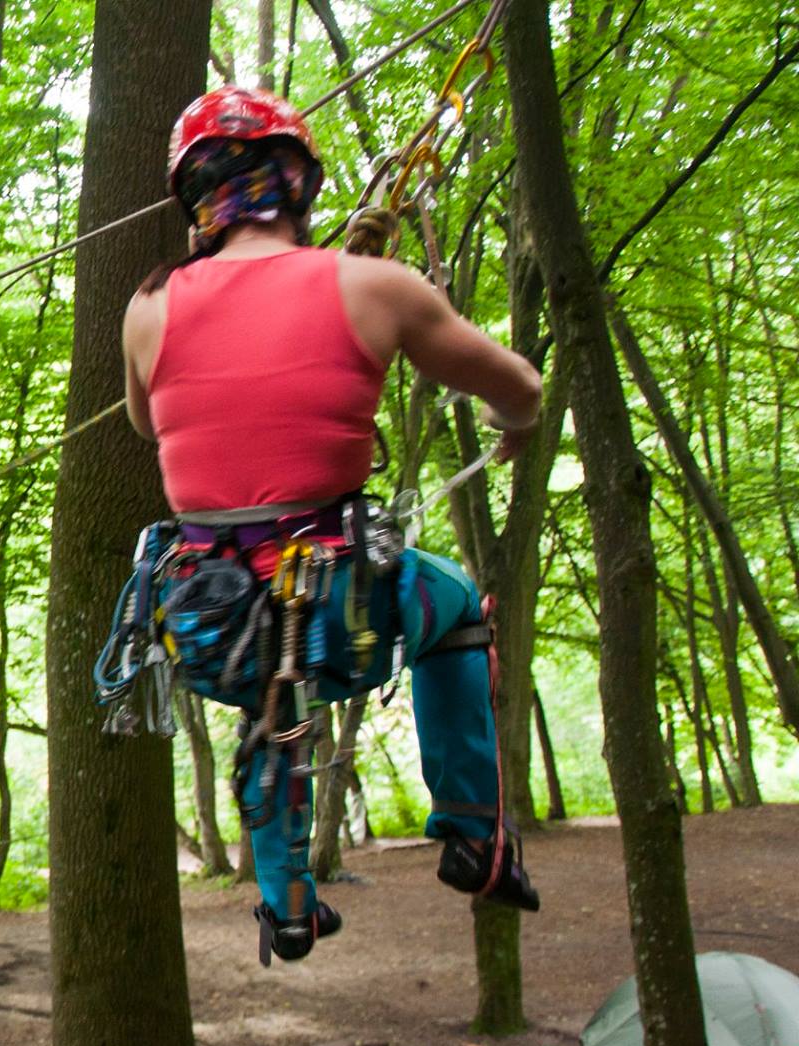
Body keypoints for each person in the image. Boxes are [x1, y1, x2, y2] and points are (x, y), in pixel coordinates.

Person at [119, 86, 543, 964]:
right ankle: (476, 833)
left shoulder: (147, 308)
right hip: (340, 609)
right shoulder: (376, 286)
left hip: (207, 621)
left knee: (273, 709)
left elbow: (144, 424)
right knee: (457, 606)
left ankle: (287, 907)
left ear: (195, 198)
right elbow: (523, 389)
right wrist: (514, 426)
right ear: (298, 184)